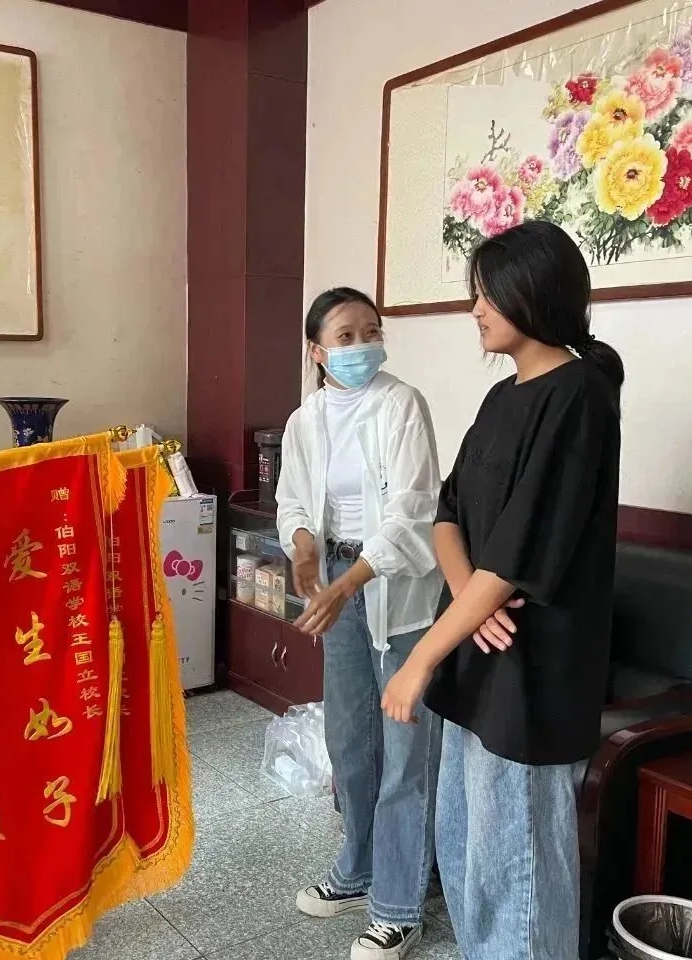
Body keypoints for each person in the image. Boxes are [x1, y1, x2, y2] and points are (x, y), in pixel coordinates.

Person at [380, 220, 623, 959]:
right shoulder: (500, 400)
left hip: (533, 671)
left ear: (532, 293)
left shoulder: (578, 397)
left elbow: (519, 556)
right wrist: (464, 602)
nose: (476, 309)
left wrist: (421, 658)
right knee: (467, 850)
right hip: (480, 652)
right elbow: (447, 515)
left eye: (487, 294)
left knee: (518, 869)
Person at [276, 287, 444, 960]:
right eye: (344, 336)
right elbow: (294, 498)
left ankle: (400, 906)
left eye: (370, 332)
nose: (361, 345)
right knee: (349, 736)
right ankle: (359, 865)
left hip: (393, 588)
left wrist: (349, 582)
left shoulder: (401, 404)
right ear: (317, 351)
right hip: (337, 579)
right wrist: (303, 546)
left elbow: (414, 510)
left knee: (405, 747)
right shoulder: (305, 419)